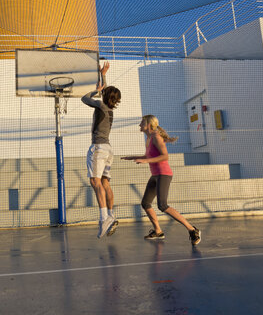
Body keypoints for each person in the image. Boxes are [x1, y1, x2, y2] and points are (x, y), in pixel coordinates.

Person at [122, 115, 201, 246]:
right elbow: (148, 156)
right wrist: (133, 157)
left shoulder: (156, 137)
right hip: (155, 175)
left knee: (162, 205)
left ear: (148, 124)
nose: (139, 125)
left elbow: (165, 156)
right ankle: (158, 231)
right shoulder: (149, 138)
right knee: (146, 203)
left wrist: (146, 160)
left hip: (164, 174)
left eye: (141, 122)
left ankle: (192, 230)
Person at [81, 62, 121, 238]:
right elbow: (107, 91)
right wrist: (103, 75)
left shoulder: (100, 105)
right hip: (109, 149)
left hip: (98, 148)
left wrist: (96, 90)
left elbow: (84, 98)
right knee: (105, 183)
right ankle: (111, 215)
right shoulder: (110, 108)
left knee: (95, 182)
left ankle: (104, 217)